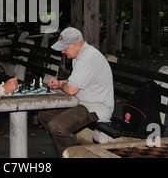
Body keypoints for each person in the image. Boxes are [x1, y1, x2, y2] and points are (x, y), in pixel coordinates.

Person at [38, 27, 114, 157]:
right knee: (45, 115)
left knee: (57, 126)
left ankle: (71, 155)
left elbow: (72, 89)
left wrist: (62, 84)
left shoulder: (87, 57)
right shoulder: (79, 55)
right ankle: (74, 150)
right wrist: (60, 83)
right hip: (82, 103)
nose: (62, 51)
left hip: (96, 107)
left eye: (65, 47)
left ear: (76, 44)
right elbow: (75, 82)